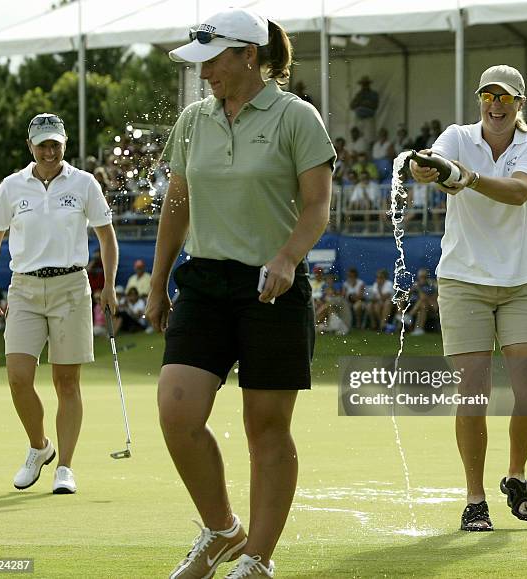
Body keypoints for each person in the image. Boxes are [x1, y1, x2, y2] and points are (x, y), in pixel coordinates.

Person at [146, 9, 335, 579]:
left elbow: (318, 207)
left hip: (271, 289)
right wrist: (158, 282)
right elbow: (176, 205)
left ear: (247, 55)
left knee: (266, 426)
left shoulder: (297, 117)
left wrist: (286, 257)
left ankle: (257, 558)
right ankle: (223, 529)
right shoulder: (192, 122)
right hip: (203, 281)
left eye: (212, 61)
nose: (204, 73)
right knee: (176, 412)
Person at [410, 64, 527, 531]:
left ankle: (516, 475)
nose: (495, 105)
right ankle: (475, 499)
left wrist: (466, 178)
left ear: (519, 105)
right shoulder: (457, 136)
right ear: (480, 101)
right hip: (463, 281)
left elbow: (517, 193)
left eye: (505, 98)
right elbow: (437, 166)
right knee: (473, 393)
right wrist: (427, 167)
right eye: (488, 96)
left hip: (523, 281)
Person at [0, 113, 118, 495]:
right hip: (24, 287)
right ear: (30, 147)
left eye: (55, 144)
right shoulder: (11, 187)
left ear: (64, 144)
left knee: (66, 381)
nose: (50, 151)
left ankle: (65, 468)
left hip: (71, 286)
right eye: (43, 145)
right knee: (18, 377)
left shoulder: (85, 183)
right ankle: (40, 447)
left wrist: (109, 285)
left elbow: (106, 236)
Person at [350, 76, 379, 144]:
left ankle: (369, 153)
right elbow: (352, 106)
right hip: (359, 119)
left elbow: (374, 106)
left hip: (369, 118)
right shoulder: (359, 94)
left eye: (366, 84)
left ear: (369, 84)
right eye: (363, 84)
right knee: (358, 137)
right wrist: (362, 102)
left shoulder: (373, 94)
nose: (364, 86)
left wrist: (361, 103)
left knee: (369, 138)